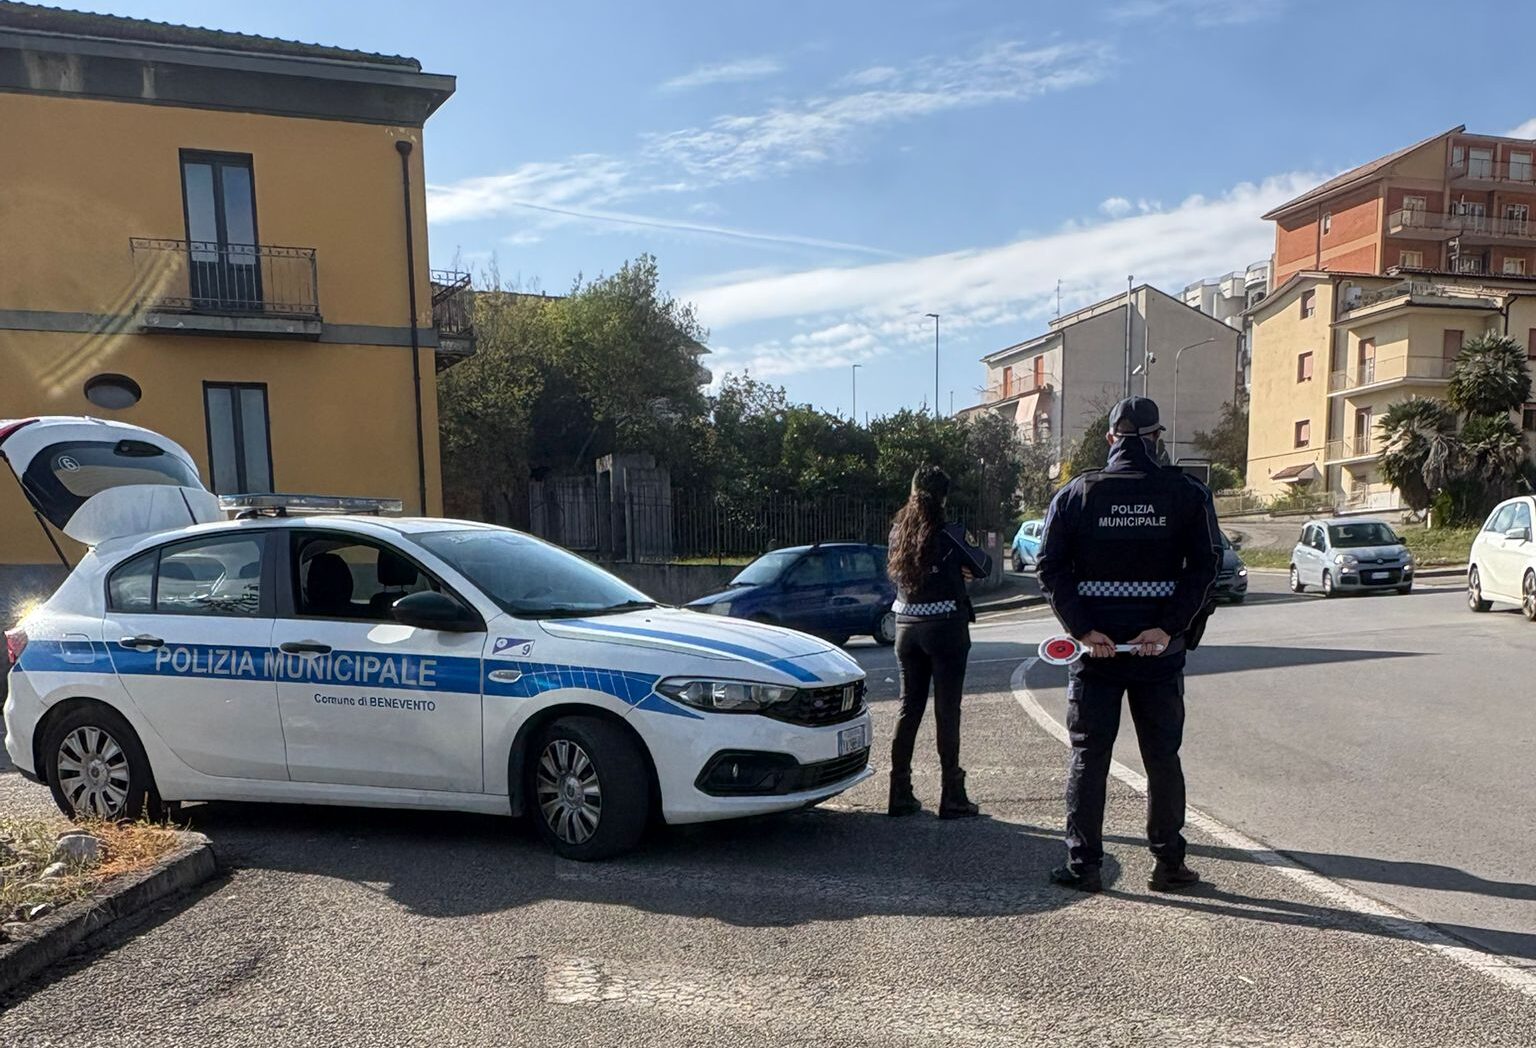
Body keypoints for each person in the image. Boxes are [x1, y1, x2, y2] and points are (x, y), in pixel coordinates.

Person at [1036, 396, 1220, 893]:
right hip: (1159, 653)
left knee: (1089, 756)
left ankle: (1084, 865)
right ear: (1158, 437)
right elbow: (1207, 566)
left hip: (1095, 655)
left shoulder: (1077, 493)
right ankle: (1168, 864)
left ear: (1112, 437)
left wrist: (1081, 630)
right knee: (1162, 756)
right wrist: (1167, 627)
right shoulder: (1186, 492)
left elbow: (1049, 567)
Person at [885, 465, 992, 820]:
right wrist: (959, 570)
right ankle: (952, 794)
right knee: (947, 710)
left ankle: (899, 791)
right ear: (944, 498)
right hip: (946, 626)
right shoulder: (950, 532)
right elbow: (983, 565)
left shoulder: (898, 533)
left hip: (905, 628)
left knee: (908, 708)